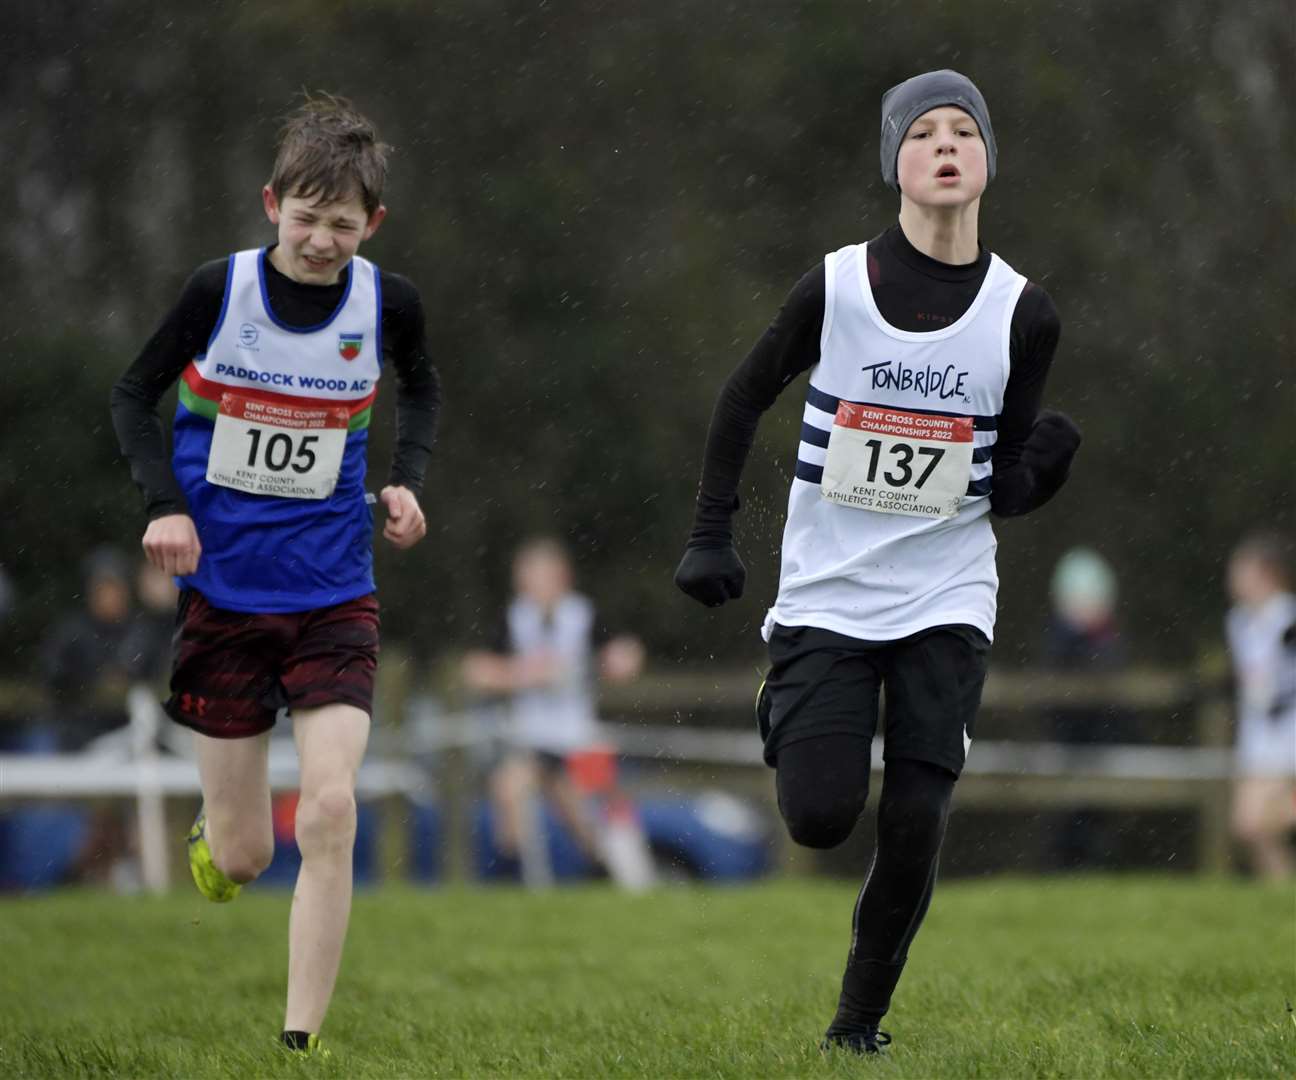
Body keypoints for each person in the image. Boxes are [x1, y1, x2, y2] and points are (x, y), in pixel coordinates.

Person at [674, 70, 1081, 1053]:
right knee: (818, 817)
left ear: (988, 160)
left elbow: (1003, 489)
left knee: (915, 820)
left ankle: (857, 1026)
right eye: (924, 133)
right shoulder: (839, 285)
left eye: (965, 133)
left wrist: (1044, 472)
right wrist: (709, 532)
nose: (946, 146)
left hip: (947, 589)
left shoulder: (1025, 315)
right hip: (831, 589)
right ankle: (791, 700)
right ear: (894, 162)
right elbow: (741, 399)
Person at [109, 93, 439, 1054]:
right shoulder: (220, 291)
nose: (323, 240)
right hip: (224, 595)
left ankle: (298, 1042)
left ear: (371, 223)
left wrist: (406, 483)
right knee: (249, 851)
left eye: (344, 224)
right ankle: (224, 844)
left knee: (331, 807)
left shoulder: (390, 302)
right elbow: (134, 391)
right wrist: (163, 506)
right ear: (271, 204)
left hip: (336, 589)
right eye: (306, 218)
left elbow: (421, 384)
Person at [461, 537, 648, 886]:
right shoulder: (513, 618)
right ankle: (512, 878)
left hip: (579, 736)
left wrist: (620, 660)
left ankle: (618, 874)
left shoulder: (584, 615)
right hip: (531, 737)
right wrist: (525, 674)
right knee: (509, 791)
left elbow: (625, 655)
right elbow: (475, 670)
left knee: (597, 805)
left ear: (562, 577)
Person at [1224, 532, 1296, 879]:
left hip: (1288, 735)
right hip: (1257, 738)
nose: (1234, 580)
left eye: (1243, 571)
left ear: (1267, 573)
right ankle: (1282, 892)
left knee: (1253, 823)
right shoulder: (1239, 622)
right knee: (1252, 828)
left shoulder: (1287, 618)